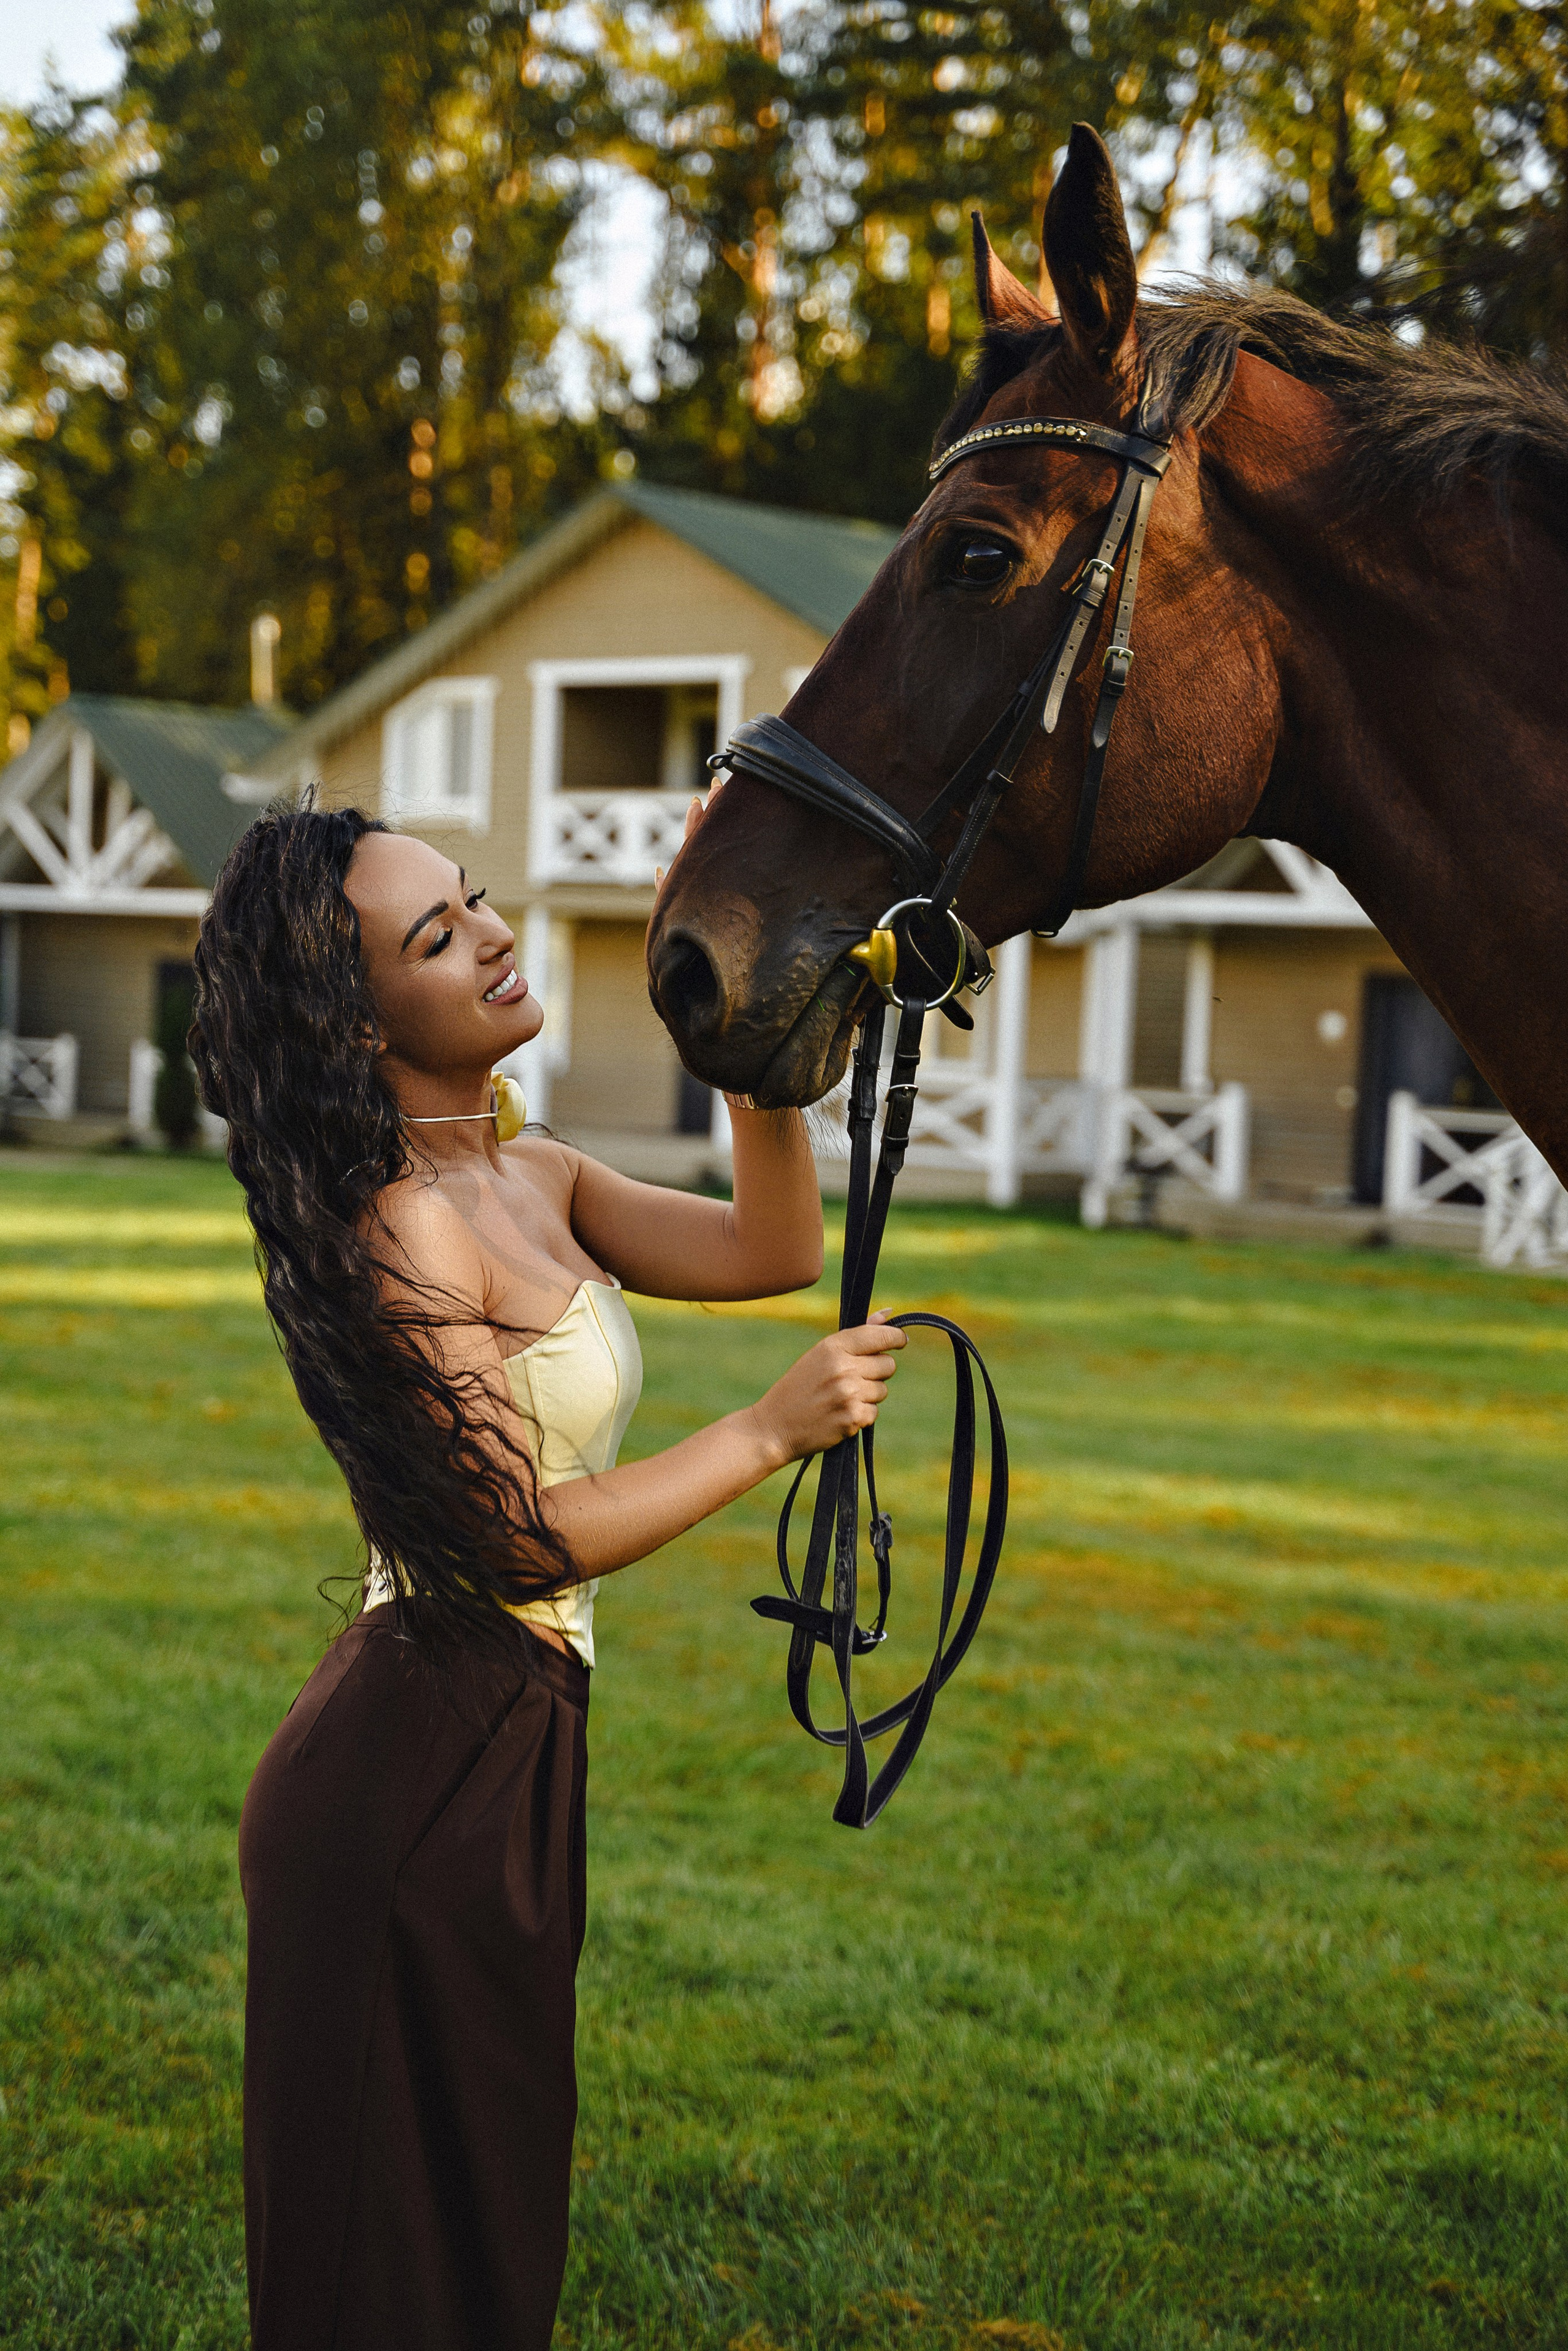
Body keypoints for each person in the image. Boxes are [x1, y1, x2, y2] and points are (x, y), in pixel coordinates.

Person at [188, 799, 903, 2351]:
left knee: (486, 2220)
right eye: (435, 937)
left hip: (507, 1741)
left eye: (475, 899)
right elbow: (510, 1532)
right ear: (356, 1019)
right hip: (410, 1766)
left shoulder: (535, 1176)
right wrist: (765, 1431)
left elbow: (774, 1247)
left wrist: (752, 1049)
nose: (494, 935)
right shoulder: (405, 1226)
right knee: (385, 2263)